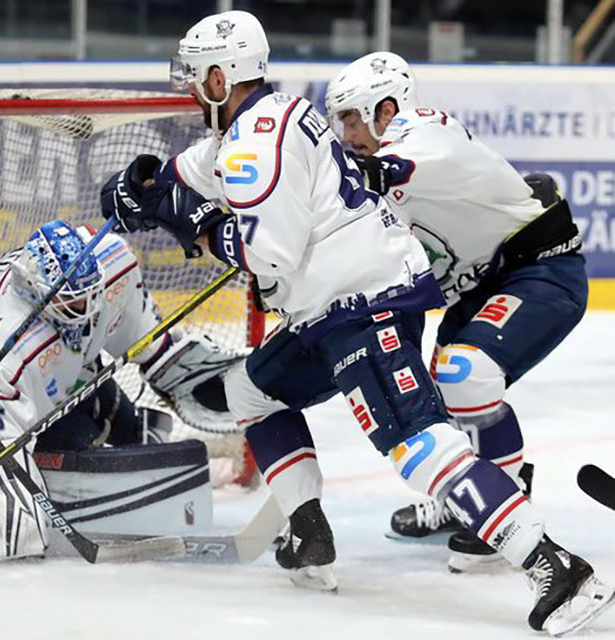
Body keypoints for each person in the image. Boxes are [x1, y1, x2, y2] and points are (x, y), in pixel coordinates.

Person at [100, 10, 612, 635]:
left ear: (217, 76)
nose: (185, 86)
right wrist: (152, 187)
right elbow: (206, 165)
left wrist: (194, 224)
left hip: (366, 304)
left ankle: (555, 566)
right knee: (250, 392)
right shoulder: (271, 117)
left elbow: (268, 255)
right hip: (330, 308)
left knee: (417, 440)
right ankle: (307, 533)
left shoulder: (270, 139)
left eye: (192, 76)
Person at [325, 52, 587, 572]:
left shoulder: (423, 128)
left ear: (386, 108)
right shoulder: (374, 182)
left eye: (354, 119)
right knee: (437, 396)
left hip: (541, 270)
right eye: (342, 123)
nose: (349, 133)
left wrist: (371, 168)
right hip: (484, 289)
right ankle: (470, 498)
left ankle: (505, 503)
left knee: (466, 373)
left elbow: (417, 157)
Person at [0, 219, 242, 561]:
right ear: (36, 291)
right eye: (73, 302)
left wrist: (173, 364)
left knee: (126, 420)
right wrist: (15, 526)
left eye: (91, 294)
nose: (87, 308)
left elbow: (146, 339)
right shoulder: (1, 350)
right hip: (34, 406)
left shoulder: (115, 261)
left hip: (76, 374)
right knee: (76, 444)